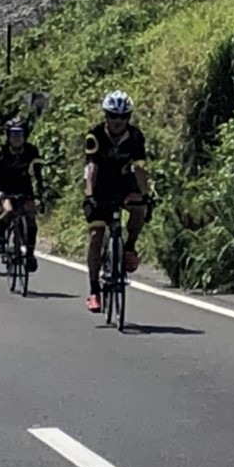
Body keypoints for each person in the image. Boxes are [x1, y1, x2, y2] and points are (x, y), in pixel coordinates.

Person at [82, 90, 149, 314]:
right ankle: (94, 290)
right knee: (96, 235)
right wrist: (89, 196)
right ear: (106, 116)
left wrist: (145, 195)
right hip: (100, 186)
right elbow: (91, 168)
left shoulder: (136, 136)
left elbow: (139, 168)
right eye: (113, 116)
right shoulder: (95, 135)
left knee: (139, 209)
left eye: (123, 116)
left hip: (124, 184)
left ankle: (129, 247)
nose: (117, 121)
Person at [0, 118, 44, 273]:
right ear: (8, 136)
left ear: (25, 135)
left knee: (30, 218)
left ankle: (30, 253)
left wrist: (40, 191)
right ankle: (1, 236)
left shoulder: (31, 150)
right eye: (13, 134)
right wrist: (0, 191)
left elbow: (37, 173)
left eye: (20, 134)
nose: (16, 138)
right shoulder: (1, 151)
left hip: (24, 187)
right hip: (6, 188)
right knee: (9, 211)